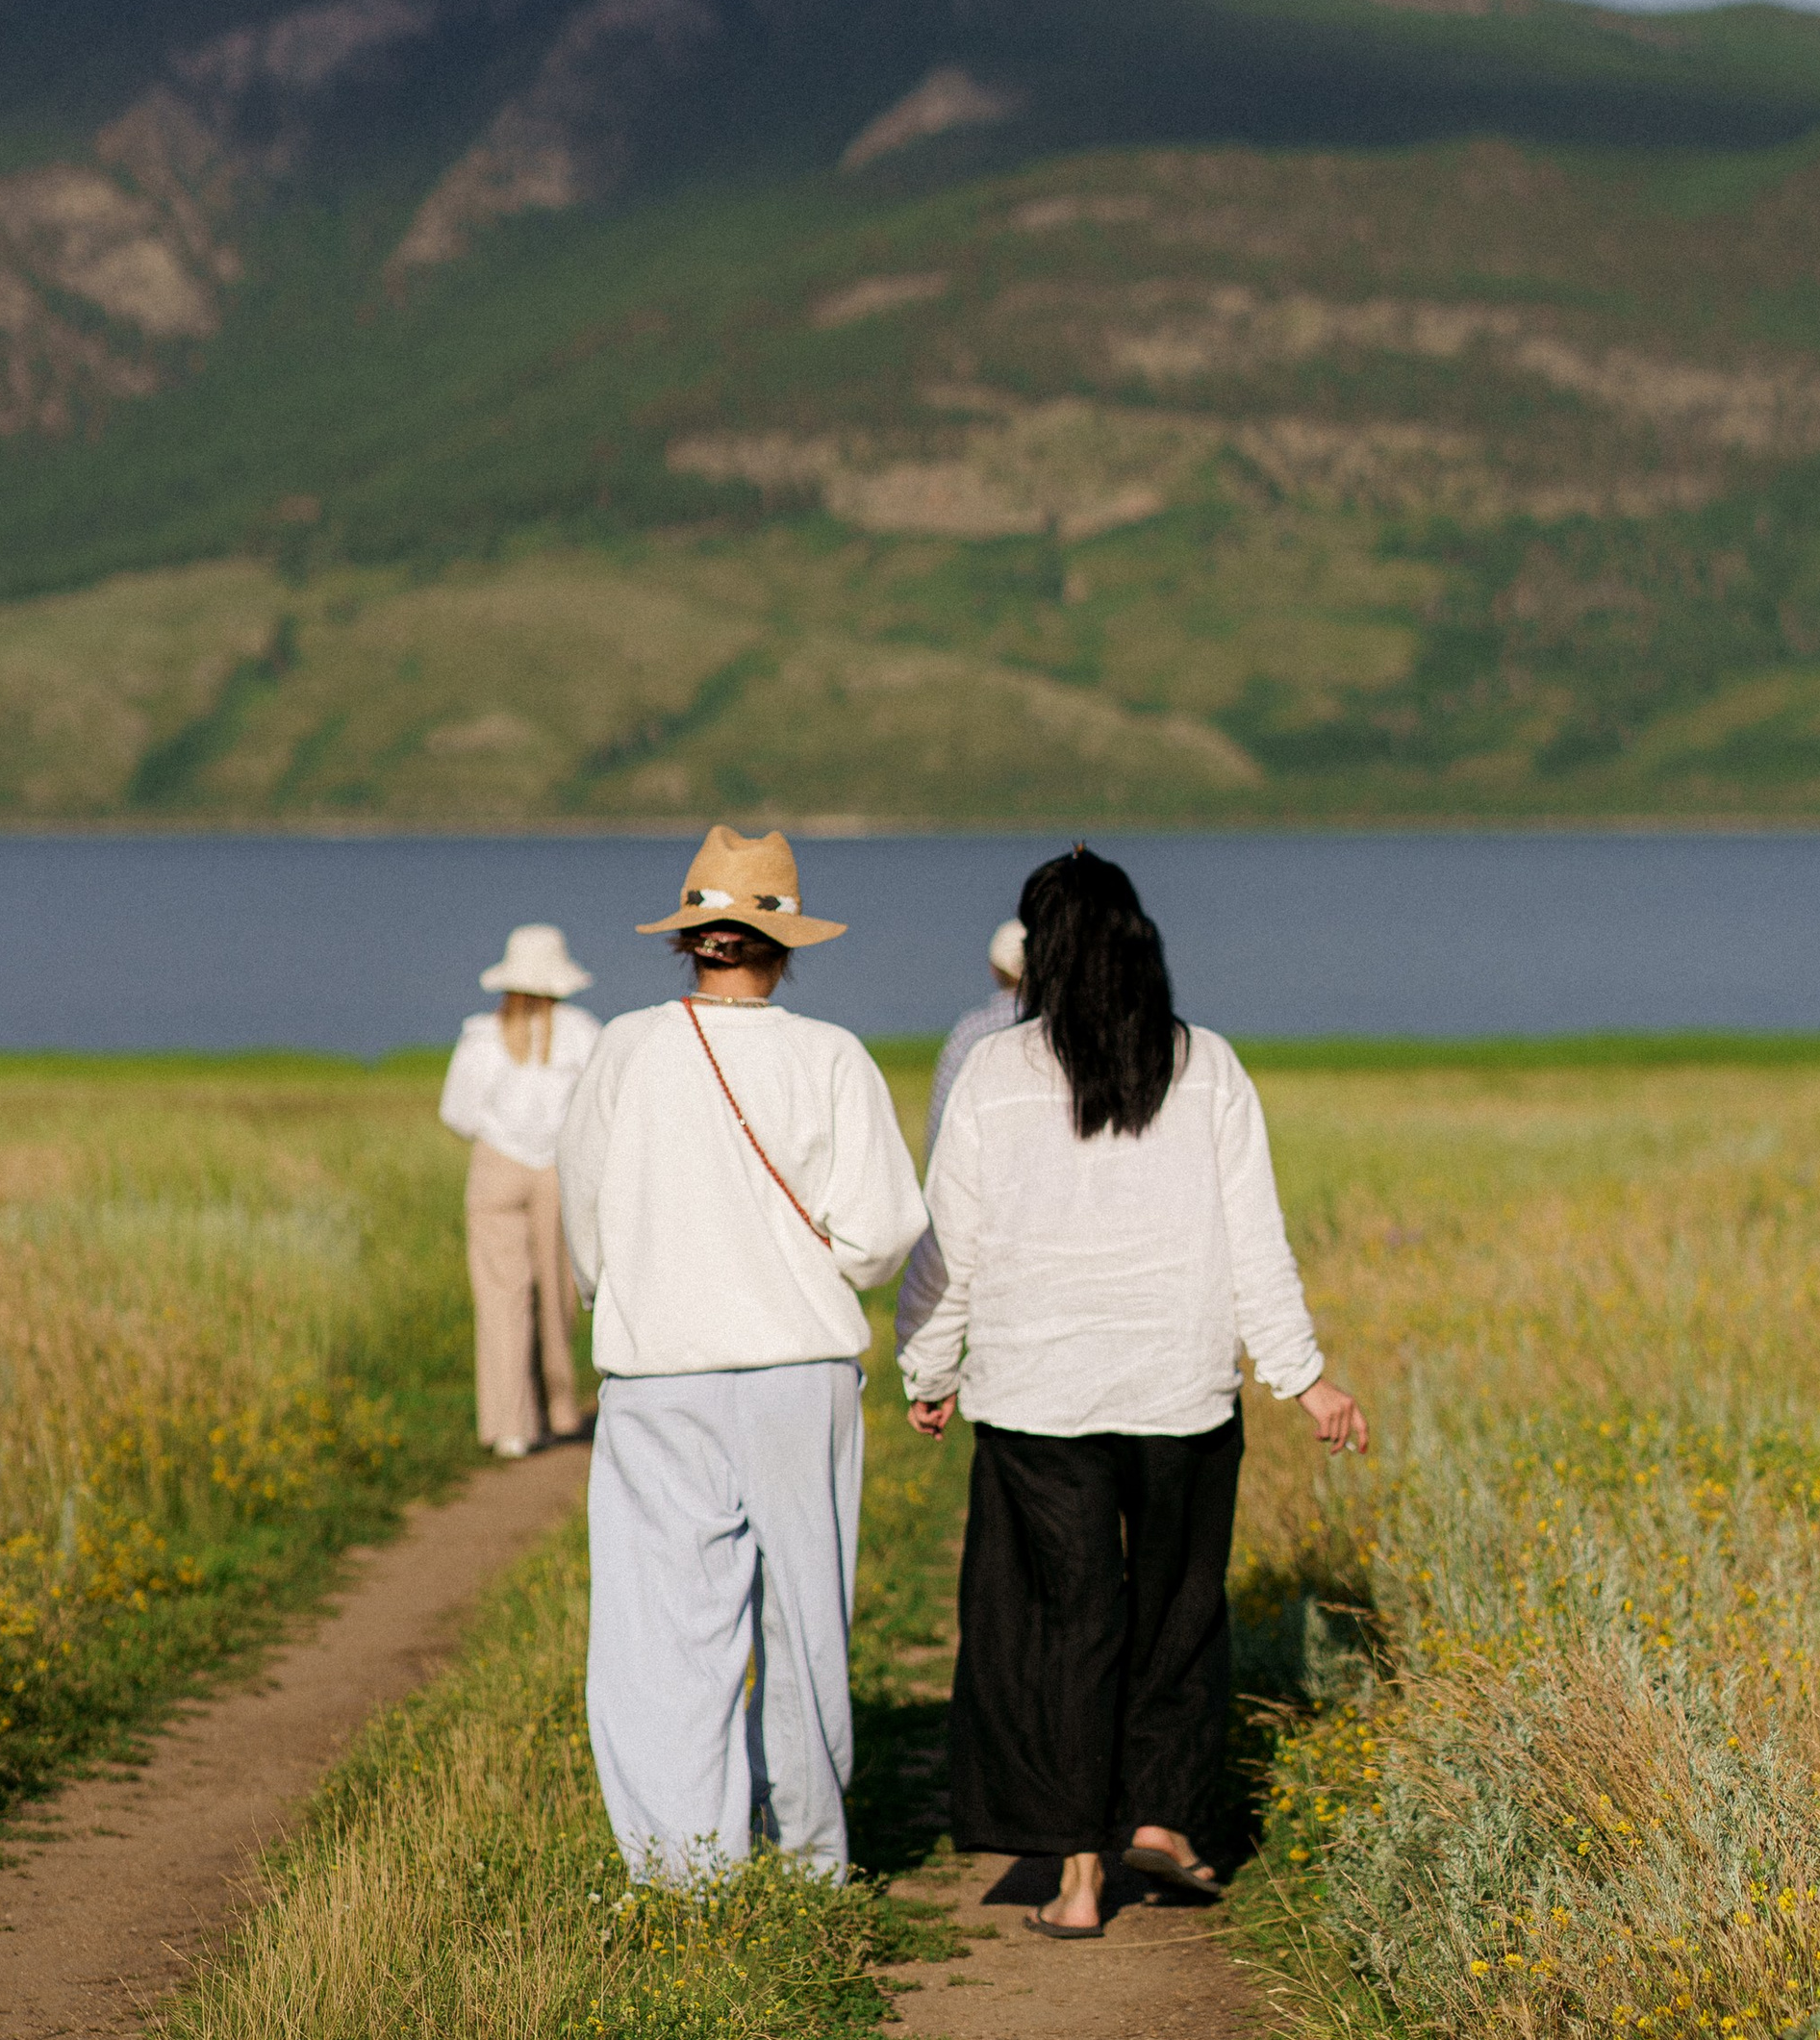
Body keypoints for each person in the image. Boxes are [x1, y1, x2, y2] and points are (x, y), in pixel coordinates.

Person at [897, 846, 1369, 1942]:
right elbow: (1256, 1238)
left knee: (1063, 1626)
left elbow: (948, 1247)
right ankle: (1160, 1818)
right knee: (1176, 1614)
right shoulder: (1205, 1065)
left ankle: (1074, 1877)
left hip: (1033, 1395)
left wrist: (930, 1368)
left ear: (1043, 952)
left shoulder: (995, 1070)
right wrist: (1302, 1378)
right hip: (1181, 1389)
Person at [558, 826, 927, 1884]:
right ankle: (811, 1856)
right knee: (805, 1615)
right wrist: (822, 1257)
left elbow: (582, 1211)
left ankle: (684, 1867)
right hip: (799, 1368)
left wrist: (615, 1290)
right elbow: (883, 1232)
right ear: (783, 944)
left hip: (659, 1370)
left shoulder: (624, 1047)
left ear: (691, 940)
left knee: (662, 1628)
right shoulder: (832, 1057)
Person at [439, 923, 600, 1458]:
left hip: (496, 1168)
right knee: (556, 1293)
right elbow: (596, 1111)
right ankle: (557, 1408)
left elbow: (457, 1112)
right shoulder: (581, 1033)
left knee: (501, 1295)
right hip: (557, 1169)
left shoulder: (483, 1036)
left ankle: (511, 1424)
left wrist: (500, 1135)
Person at [925, 916, 1026, 1157]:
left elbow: (942, 1117)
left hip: (984, 1163)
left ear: (994, 969)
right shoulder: (1066, 1028)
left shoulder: (971, 1030)